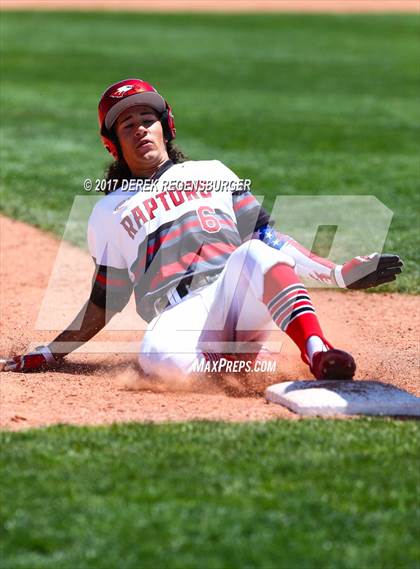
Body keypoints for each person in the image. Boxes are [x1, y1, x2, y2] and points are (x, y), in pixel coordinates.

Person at [4, 78, 403, 379]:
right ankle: (242, 362)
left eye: (148, 120)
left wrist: (337, 273)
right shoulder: (108, 211)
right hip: (179, 315)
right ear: (113, 144)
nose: (141, 129)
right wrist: (52, 351)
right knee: (154, 357)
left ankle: (317, 352)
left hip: (236, 291)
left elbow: (270, 241)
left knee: (254, 252)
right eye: (127, 126)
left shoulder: (211, 173)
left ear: (166, 126)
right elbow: (105, 301)